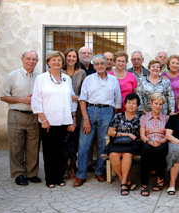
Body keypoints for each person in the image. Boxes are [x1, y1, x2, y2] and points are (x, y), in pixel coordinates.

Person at [73, 54, 122, 187]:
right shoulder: (88, 79)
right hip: (89, 111)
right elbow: (82, 99)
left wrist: (111, 118)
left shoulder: (113, 80)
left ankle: (99, 171)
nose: (99, 66)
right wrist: (86, 119)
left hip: (107, 112)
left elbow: (117, 103)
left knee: (103, 143)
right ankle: (81, 175)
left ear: (107, 65)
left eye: (102, 63)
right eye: (97, 63)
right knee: (84, 145)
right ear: (93, 66)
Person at [31, 51, 77, 188]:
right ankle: (50, 179)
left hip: (64, 121)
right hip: (48, 122)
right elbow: (36, 100)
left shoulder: (66, 79)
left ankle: (59, 177)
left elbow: (72, 99)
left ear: (62, 63)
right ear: (48, 62)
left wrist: (72, 120)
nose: (57, 62)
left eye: (59, 60)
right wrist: (43, 120)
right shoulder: (41, 78)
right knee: (49, 151)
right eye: (54, 60)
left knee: (62, 152)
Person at [0, 50, 42, 186]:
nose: (31, 61)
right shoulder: (12, 76)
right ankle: (18, 174)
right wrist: (21, 100)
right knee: (16, 146)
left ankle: (31, 173)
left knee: (33, 147)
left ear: (37, 61)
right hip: (16, 114)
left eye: (34, 59)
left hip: (34, 116)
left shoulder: (40, 77)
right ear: (22, 59)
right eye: (28, 58)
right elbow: (3, 96)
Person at [106, 93, 141, 196]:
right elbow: (110, 132)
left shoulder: (141, 116)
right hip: (118, 141)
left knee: (126, 154)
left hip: (133, 143)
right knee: (113, 154)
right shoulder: (118, 116)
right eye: (129, 103)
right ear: (125, 104)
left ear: (137, 106)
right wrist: (126, 134)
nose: (131, 105)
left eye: (133, 103)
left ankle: (123, 183)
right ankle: (125, 182)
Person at [62, 48, 86, 179]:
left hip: (77, 111)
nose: (71, 58)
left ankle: (73, 167)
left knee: (74, 140)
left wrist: (75, 97)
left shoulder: (81, 73)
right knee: (63, 140)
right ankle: (65, 167)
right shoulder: (59, 72)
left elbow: (84, 92)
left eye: (74, 56)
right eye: (69, 56)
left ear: (77, 59)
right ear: (65, 57)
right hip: (61, 110)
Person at [139, 93, 169, 196]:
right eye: (156, 103)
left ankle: (160, 178)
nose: (158, 106)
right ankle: (144, 185)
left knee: (160, 150)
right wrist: (150, 141)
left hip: (162, 141)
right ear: (151, 104)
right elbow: (142, 136)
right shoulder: (144, 118)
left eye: (160, 104)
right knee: (146, 150)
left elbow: (168, 135)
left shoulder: (166, 118)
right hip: (148, 140)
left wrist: (162, 141)